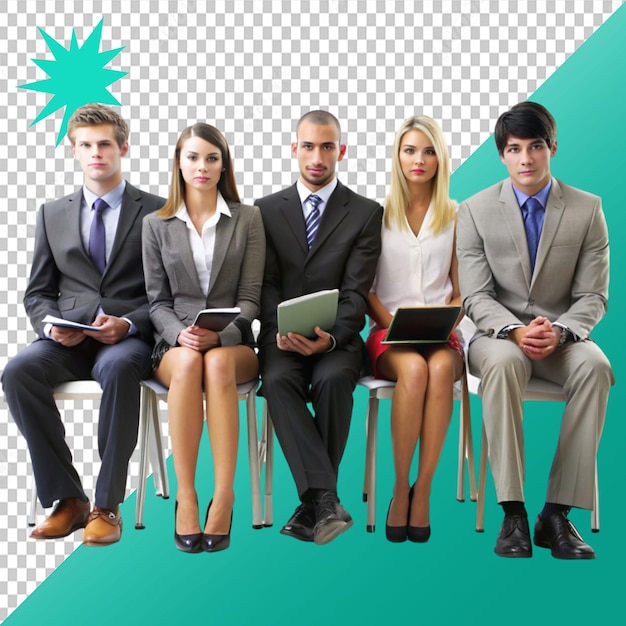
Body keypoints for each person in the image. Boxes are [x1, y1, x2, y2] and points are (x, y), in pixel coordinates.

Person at [2, 104, 165, 546]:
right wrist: (49, 328)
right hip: (68, 337)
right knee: (18, 372)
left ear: (123, 148)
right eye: (86, 145)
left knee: (117, 369)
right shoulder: (51, 213)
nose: (97, 153)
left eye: (105, 144)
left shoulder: (157, 211)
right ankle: (68, 500)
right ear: (73, 151)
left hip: (126, 341)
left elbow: (168, 295)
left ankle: (106, 505)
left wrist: (129, 324)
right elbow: (38, 292)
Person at [457, 101, 614, 559]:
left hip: (563, 336)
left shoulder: (587, 209)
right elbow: (475, 295)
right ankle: (513, 514)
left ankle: (556, 514)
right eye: (514, 149)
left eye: (535, 146)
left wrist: (562, 332)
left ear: (552, 149)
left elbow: (593, 296)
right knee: (504, 365)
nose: (525, 158)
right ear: (502, 155)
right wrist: (511, 330)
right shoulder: (474, 210)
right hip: (497, 339)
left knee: (597, 368)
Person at [256, 110, 382, 545]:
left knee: (332, 380)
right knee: (275, 380)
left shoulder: (365, 213)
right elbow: (266, 282)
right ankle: (325, 500)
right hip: (280, 338)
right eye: (308, 145)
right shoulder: (266, 211)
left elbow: (357, 290)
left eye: (327, 146)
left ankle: (314, 502)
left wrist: (332, 337)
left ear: (341, 152)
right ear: (294, 149)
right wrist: (279, 329)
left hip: (337, 341)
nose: (317, 155)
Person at [142, 123, 264, 553]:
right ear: (179, 162)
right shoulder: (155, 225)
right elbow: (156, 302)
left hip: (234, 344)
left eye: (212, 158)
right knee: (195, 362)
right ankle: (187, 494)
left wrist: (224, 334)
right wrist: (181, 335)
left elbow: (250, 296)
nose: (202, 166)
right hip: (177, 346)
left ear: (223, 165)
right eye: (193, 157)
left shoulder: (248, 218)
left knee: (216, 361)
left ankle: (225, 494)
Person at [367, 115, 468, 543]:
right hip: (388, 333)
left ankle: (423, 491)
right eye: (410, 150)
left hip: (442, 333)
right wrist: (394, 324)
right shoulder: (376, 214)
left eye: (428, 151)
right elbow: (365, 289)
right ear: (397, 156)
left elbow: (463, 292)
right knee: (414, 371)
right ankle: (398, 487)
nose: (419, 160)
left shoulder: (458, 215)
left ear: (441, 157)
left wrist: (447, 318)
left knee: (441, 369)